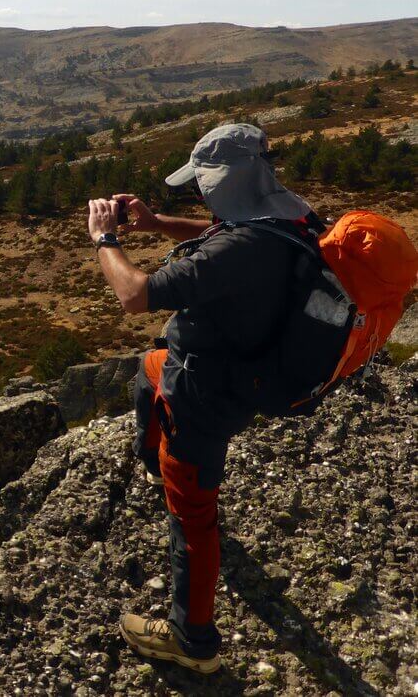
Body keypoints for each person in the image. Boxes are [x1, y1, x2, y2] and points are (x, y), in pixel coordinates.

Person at [85, 123, 317, 674]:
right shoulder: (293, 215)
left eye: (204, 183)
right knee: (149, 368)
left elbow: (134, 295)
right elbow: (230, 234)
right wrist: (156, 222)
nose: (200, 193)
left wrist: (106, 239)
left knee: (193, 516)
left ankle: (193, 641)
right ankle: (154, 464)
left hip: (209, 392)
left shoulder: (238, 249)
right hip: (229, 363)